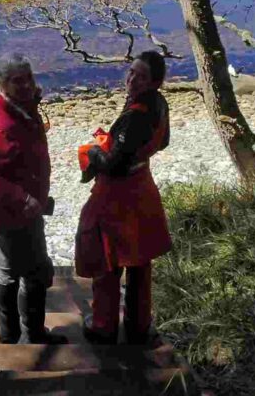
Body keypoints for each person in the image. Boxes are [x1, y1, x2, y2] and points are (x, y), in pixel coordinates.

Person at [0, 54, 67, 345]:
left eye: (29, 79)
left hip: (24, 210)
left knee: (20, 270)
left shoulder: (20, 108)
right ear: (2, 86)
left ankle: (15, 333)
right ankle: (23, 335)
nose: (25, 85)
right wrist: (22, 199)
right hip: (13, 213)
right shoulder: (0, 127)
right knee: (27, 272)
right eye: (16, 81)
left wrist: (33, 100)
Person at [75, 50, 173, 345]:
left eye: (140, 76)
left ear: (154, 81)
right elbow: (164, 141)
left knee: (108, 261)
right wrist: (132, 151)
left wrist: (94, 151)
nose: (132, 79)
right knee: (140, 261)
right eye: (131, 71)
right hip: (143, 188)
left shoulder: (136, 116)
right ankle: (138, 325)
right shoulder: (160, 104)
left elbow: (113, 165)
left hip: (118, 197)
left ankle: (104, 326)